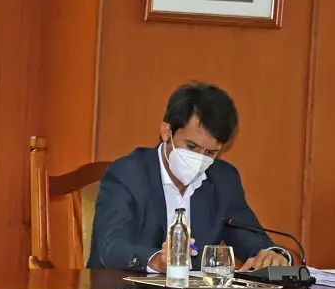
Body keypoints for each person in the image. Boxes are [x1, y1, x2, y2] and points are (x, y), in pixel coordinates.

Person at [87, 82, 291, 272]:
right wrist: (156, 260)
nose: (199, 159)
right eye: (192, 147)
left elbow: (252, 240)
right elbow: (111, 247)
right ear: (167, 132)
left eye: (210, 153)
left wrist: (272, 255)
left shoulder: (223, 180)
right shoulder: (127, 174)